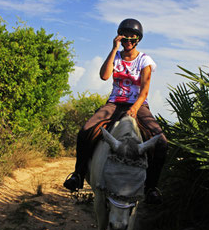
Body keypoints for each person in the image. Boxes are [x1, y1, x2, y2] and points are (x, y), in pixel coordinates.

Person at [63, 18, 168, 204]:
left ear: (138, 39)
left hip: (138, 105)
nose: (128, 41)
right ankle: (78, 175)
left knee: (160, 142)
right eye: (124, 37)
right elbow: (104, 76)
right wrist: (113, 49)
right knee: (86, 130)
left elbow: (144, 90)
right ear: (119, 37)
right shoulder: (117, 56)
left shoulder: (145, 60)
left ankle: (151, 186)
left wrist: (135, 109)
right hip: (114, 103)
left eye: (132, 38)